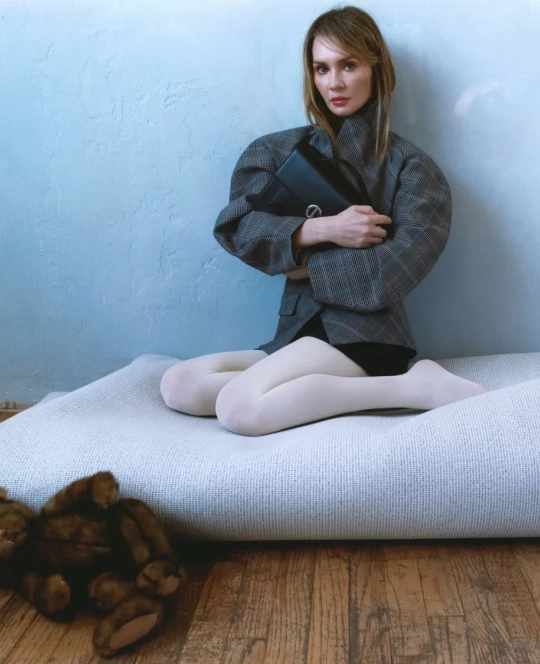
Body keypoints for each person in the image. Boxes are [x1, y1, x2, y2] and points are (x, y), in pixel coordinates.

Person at [160, 5, 489, 436]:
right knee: (179, 384)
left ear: (376, 70)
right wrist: (322, 229)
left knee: (239, 407)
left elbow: (391, 274)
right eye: (322, 68)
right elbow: (237, 226)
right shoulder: (275, 152)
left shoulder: (413, 170)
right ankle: (397, 387)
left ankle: (411, 387)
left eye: (348, 65)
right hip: (297, 331)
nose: (334, 82)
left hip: (365, 336)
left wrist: (303, 265)